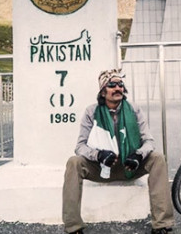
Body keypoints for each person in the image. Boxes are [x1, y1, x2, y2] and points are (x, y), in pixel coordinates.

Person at [62, 69, 175, 234]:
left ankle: (162, 224)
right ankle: (73, 227)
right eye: (112, 85)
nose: (118, 88)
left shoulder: (134, 110)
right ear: (102, 91)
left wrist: (138, 155)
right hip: (102, 168)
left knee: (158, 158)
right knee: (74, 162)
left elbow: (149, 141)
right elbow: (80, 146)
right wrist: (98, 155)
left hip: (130, 166)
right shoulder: (91, 112)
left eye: (120, 85)